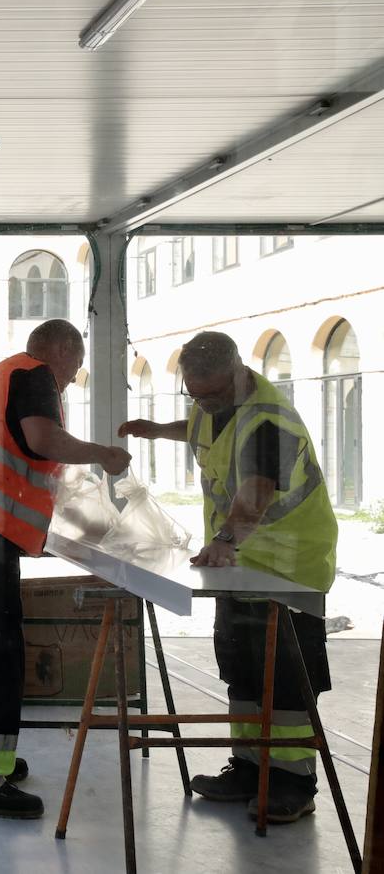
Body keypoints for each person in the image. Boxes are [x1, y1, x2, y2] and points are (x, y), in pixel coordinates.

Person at [119, 331, 336, 824]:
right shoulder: (211, 403)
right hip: (242, 565)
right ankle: (247, 767)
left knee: (282, 680)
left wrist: (223, 541)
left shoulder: (267, 421)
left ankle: (292, 782)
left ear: (239, 373)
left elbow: (254, 496)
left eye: (212, 392)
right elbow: (201, 428)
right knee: (240, 667)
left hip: (288, 567)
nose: (203, 401)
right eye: (194, 393)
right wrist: (158, 429)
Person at [0, 319, 131, 819]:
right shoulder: (34, 374)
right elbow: (44, 440)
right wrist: (103, 454)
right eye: (75, 367)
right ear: (61, 351)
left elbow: (24, 463)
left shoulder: (0, 380)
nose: (70, 380)